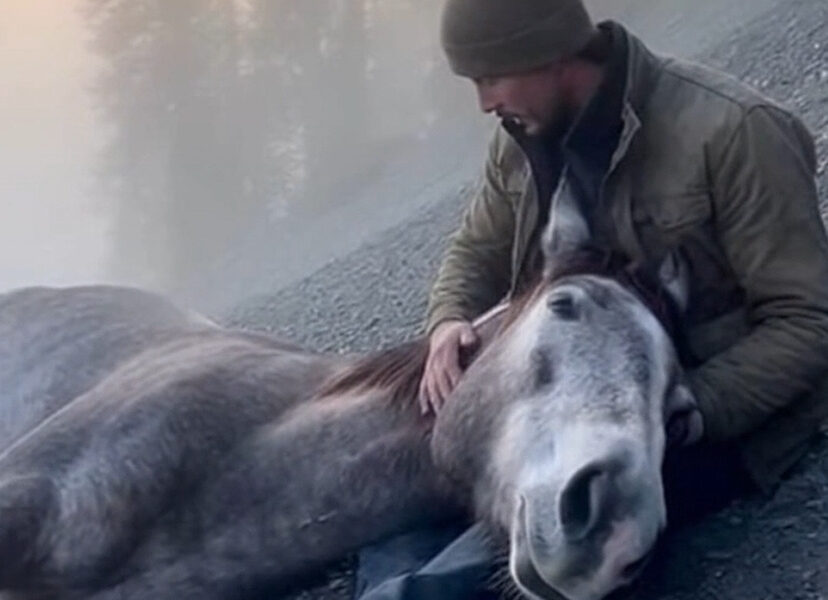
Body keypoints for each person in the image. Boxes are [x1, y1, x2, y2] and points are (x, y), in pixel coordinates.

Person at [356, 0, 828, 598]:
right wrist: (448, 319)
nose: (484, 103)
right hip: (573, 394)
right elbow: (476, 249)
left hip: (704, 416)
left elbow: (808, 319)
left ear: (550, 55)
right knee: (424, 505)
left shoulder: (734, 131)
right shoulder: (525, 136)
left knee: (553, 553)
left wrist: (686, 408)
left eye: (490, 78)